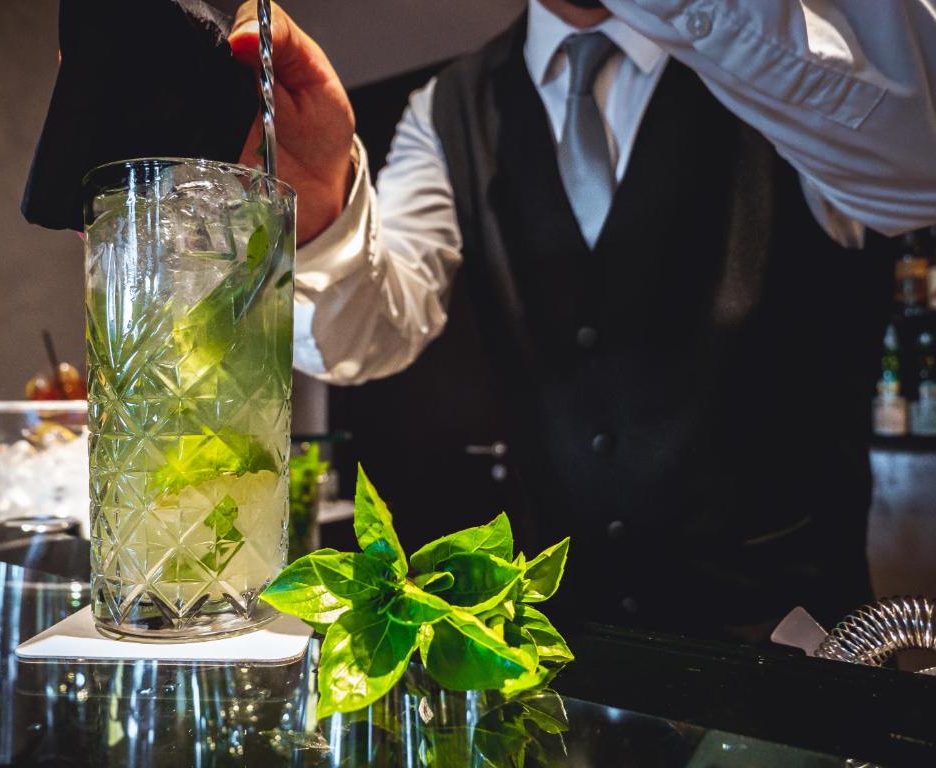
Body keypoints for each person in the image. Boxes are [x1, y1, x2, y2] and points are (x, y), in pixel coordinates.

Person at [228, 1, 936, 640]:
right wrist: (320, 216)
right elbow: (366, 337)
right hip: (568, 655)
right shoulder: (448, 106)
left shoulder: (778, 41)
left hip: (796, 648)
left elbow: (920, 169)